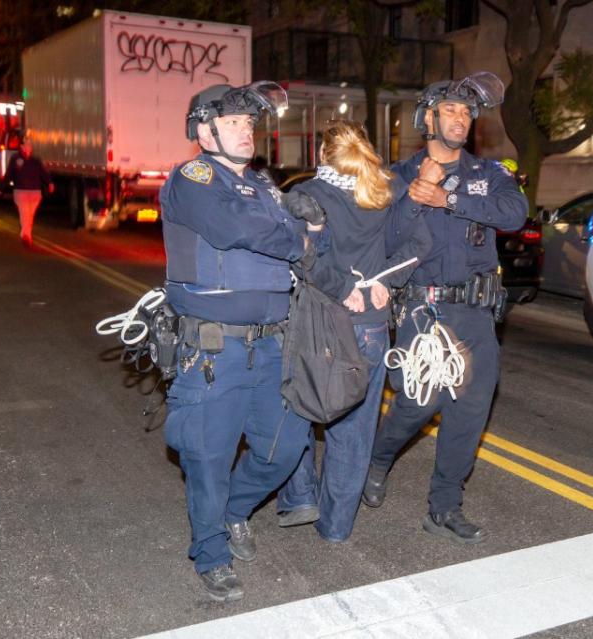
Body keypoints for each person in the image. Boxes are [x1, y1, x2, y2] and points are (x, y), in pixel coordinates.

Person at [160, 81, 320, 603]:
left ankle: (233, 512)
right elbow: (234, 228)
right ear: (204, 131)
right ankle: (210, 552)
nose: (246, 131)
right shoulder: (194, 178)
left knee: (286, 447)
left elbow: (294, 224)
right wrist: (298, 239)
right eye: (233, 123)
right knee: (209, 455)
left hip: (272, 344)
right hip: (213, 348)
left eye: (250, 124)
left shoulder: (266, 186)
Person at [361, 72, 528, 544]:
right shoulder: (396, 176)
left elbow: (515, 214)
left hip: (475, 312)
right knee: (418, 402)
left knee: (471, 410)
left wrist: (447, 198)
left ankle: (445, 505)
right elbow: (386, 241)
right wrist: (416, 199)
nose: (461, 119)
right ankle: (379, 456)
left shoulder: (489, 174)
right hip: (421, 310)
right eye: (451, 110)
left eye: (466, 113)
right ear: (428, 118)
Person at [275, 120, 431, 542]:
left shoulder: (306, 196)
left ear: (321, 155)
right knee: (355, 431)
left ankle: (301, 493)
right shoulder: (388, 189)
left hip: (318, 324)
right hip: (370, 328)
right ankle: (336, 528)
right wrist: (384, 281)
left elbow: (298, 258)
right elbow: (420, 244)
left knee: (297, 408)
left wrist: (346, 288)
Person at [3, 140, 54, 247]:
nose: (29, 147)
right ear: (22, 146)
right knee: (24, 213)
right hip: (20, 191)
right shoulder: (16, 159)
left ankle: (24, 234)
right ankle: (27, 236)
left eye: (30, 145)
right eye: (26, 145)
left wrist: (50, 183)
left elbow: (43, 173)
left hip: (35, 192)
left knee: (30, 215)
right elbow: (9, 173)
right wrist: (1, 187)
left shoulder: (36, 160)